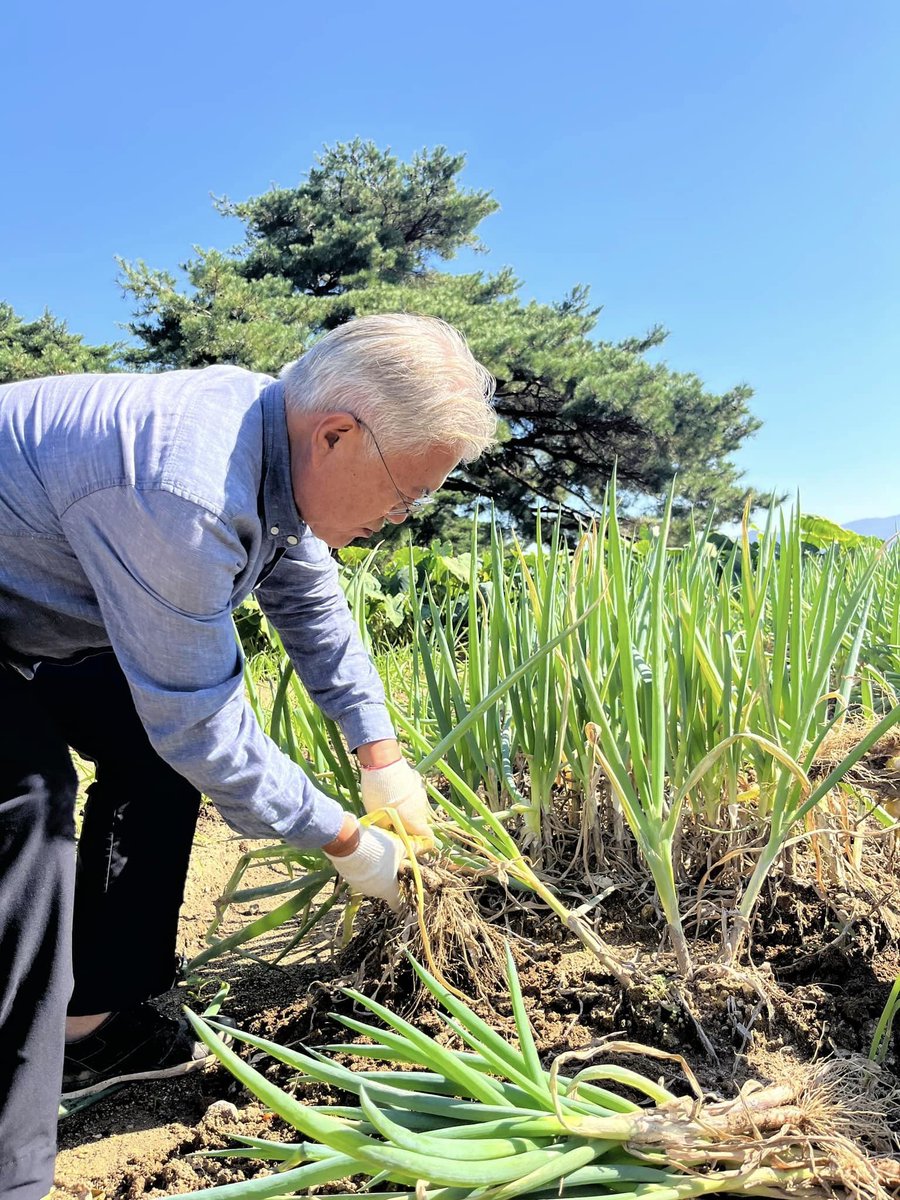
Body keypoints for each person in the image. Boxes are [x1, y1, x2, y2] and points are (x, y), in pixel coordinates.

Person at [0, 313, 497, 1199]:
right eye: (405, 493)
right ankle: (13, 1167)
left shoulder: (270, 436)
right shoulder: (186, 489)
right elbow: (203, 728)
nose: (398, 517)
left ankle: (90, 1026)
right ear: (337, 435)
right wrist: (349, 842)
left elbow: (309, 603)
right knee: (26, 801)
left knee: (147, 757)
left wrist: (381, 757)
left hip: (32, 610)